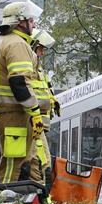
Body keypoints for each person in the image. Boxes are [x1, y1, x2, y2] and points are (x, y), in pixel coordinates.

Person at [0, 1, 44, 184]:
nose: (34, 24)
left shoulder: (5, 42)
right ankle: (4, 201)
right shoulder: (16, 44)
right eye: (31, 20)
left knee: (18, 160)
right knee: (13, 163)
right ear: (21, 22)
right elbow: (19, 82)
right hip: (14, 114)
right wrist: (35, 112)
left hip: (9, 112)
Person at [28, 30, 59, 193]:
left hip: (40, 126)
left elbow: (44, 93)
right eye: (40, 48)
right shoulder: (29, 68)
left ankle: (41, 200)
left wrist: (53, 101)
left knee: (42, 164)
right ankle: (40, 200)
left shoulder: (39, 71)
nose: (43, 52)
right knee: (41, 164)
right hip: (34, 125)